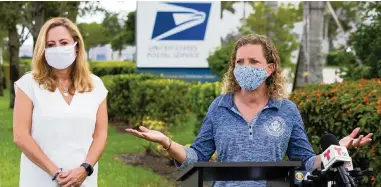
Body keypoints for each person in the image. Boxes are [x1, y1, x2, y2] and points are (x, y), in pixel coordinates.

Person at [126, 34, 373, 186]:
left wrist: (335, 151)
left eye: (253, 61)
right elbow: (196, 157)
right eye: (239, 62)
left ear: (270, 68)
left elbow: (307, 162)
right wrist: (167, 142)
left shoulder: (286, 110)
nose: (245, 67)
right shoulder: (219, 106)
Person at [13, 17, 108, 187]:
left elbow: (100, 135)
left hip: (84, 180)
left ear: (76, 46)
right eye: (50, 45)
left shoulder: (95, 85)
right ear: (43, 49)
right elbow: (21, 136)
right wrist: (55, 172)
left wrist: (85, 169)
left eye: (64, 42)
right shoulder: (28, 84)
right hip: (39, 180)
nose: (57, 48)